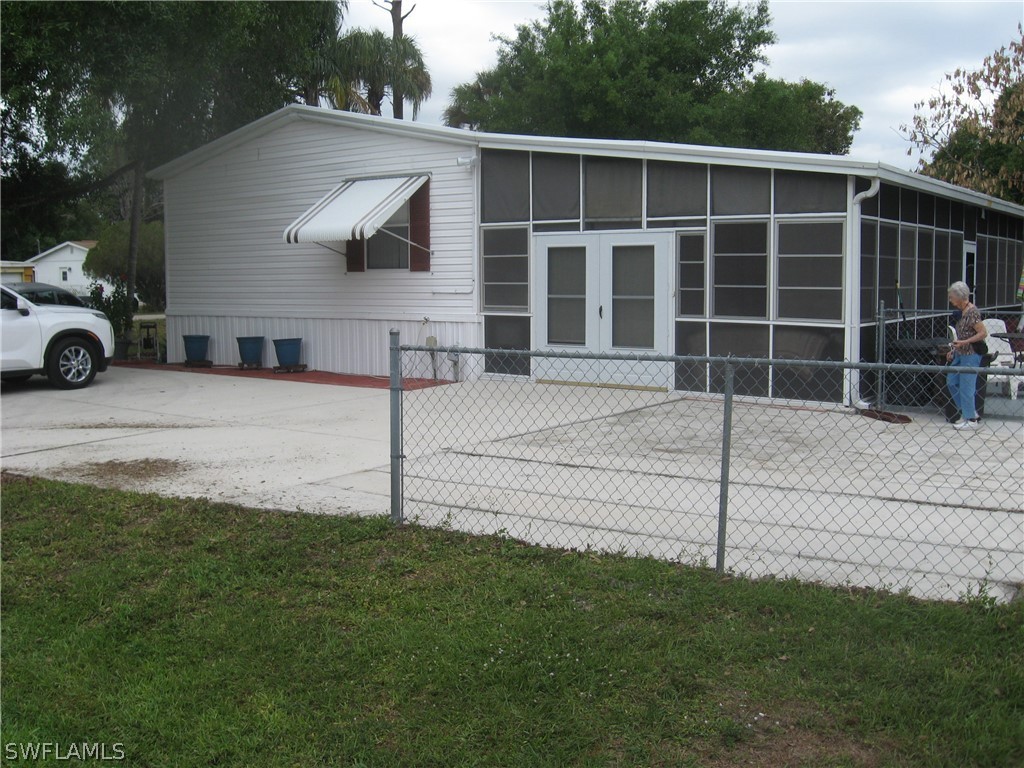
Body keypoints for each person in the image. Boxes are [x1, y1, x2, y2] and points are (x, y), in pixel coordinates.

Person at [945, 281, 988, 430]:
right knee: (951, 381)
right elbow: (960, 334)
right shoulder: (962, 312)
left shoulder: (972, 312)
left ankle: (971, 420)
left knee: (966, 386)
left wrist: (965, 342)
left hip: (971, 354)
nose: (950, 300)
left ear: (959, 296)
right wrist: (954, 349)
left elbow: (983, 333)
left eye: (952, 297)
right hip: (960, 353)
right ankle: (969, 412)